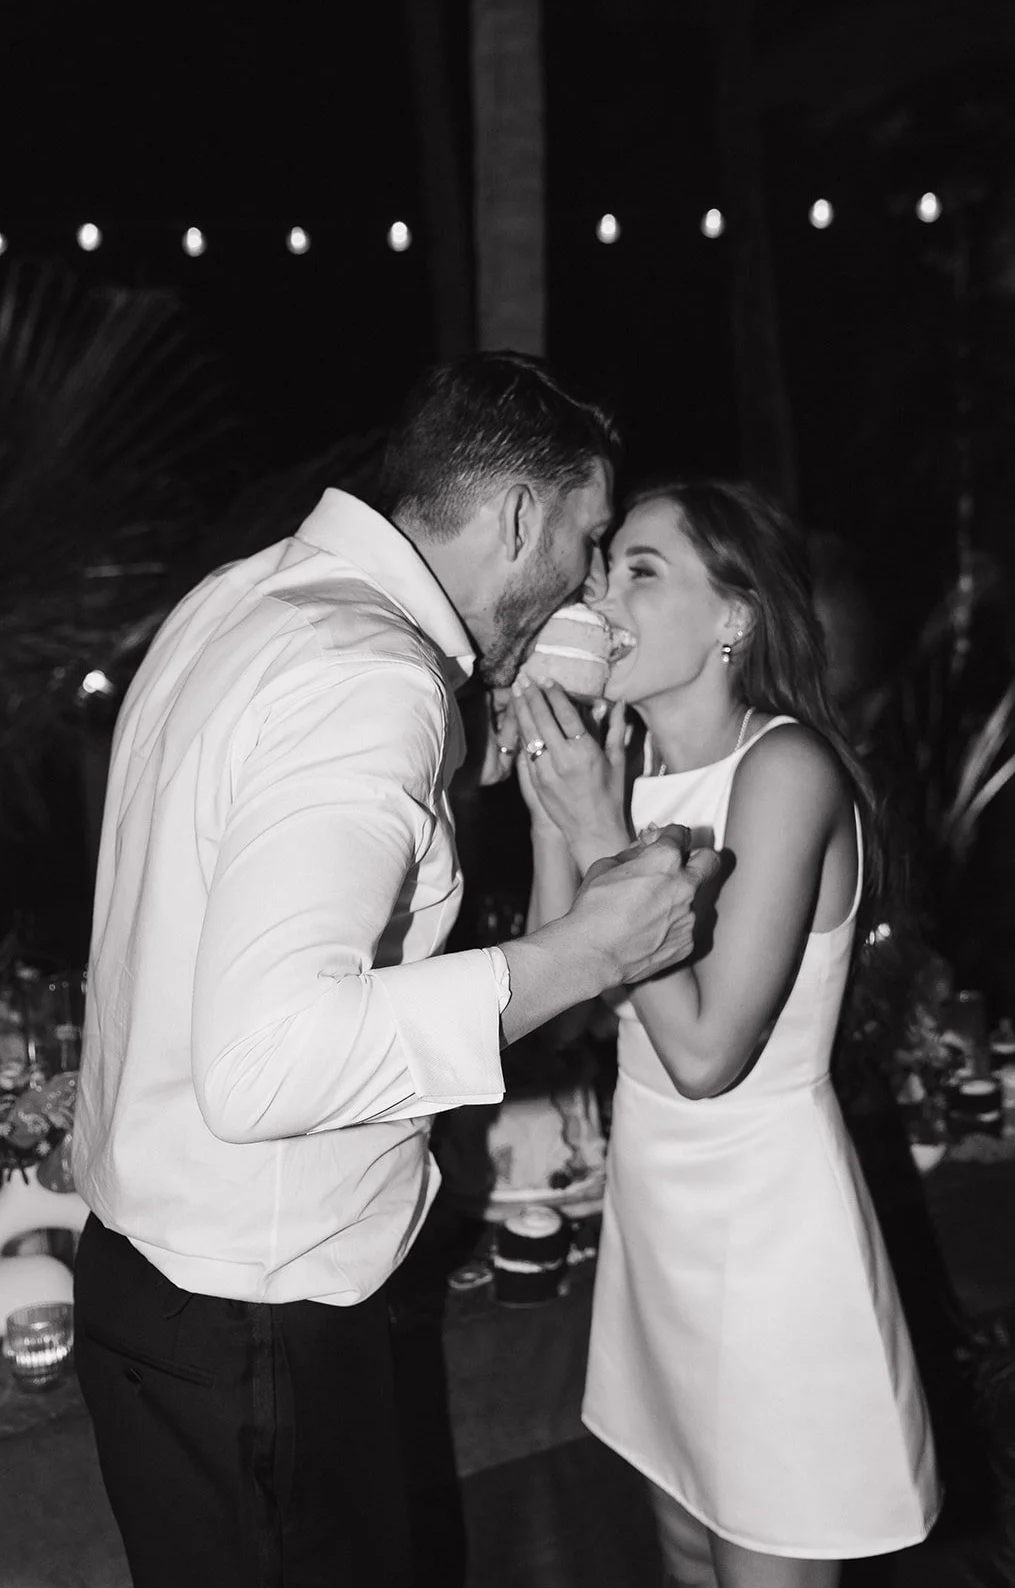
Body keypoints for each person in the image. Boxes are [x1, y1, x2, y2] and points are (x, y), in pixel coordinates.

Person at [70, 354, 719, 1588]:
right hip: (257, 1321)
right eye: (586, 540)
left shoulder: (245, 599)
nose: (590, 583)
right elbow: (269, 1063)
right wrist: (579, 954)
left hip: (161, 1283)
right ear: (518, 516)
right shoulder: (364, 676)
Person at [511, 478, 941, 1588]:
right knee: (689, 1552)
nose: (603, 594)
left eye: (642, 571)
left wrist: (602, 829)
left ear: (734, 621)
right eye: (605, 571)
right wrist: (550, 796)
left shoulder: (784, 770)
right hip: (658, 1217)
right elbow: (559, 988)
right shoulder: (636, 777)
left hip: (764, 1235)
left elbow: (706, 1055)